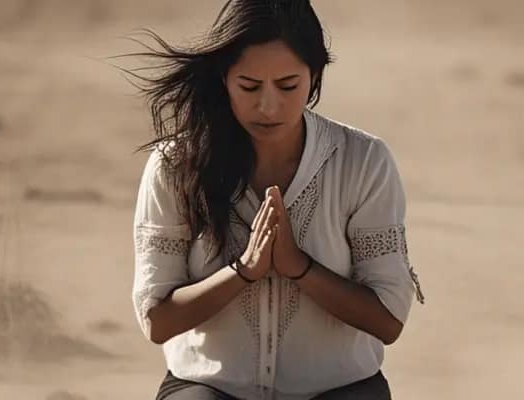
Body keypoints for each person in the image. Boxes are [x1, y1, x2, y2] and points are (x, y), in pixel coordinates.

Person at [127, 1, 424, 399]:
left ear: (314, 76)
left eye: (288, 86)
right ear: (224, 79)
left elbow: (389, 321)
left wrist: (299, 268)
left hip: (340, 388)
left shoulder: (363, 160)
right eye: (249, 86)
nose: (268, 106)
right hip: (208, 386)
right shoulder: (175, 165)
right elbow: (158, 322)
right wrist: (244, 270)